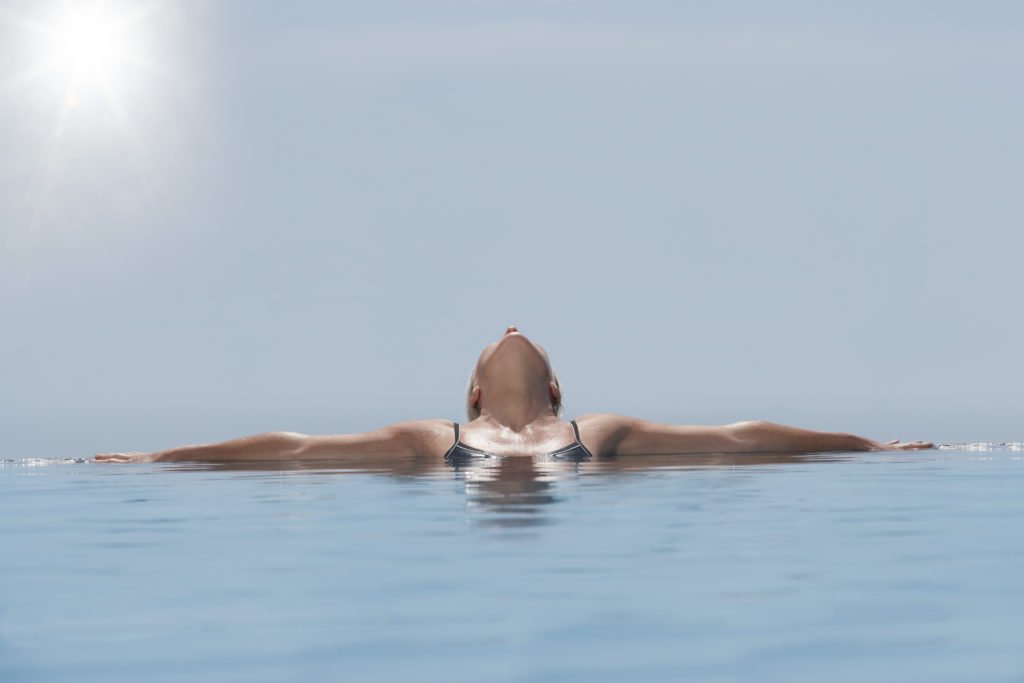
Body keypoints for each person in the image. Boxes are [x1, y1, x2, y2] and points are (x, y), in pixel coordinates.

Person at [95, 326, 932, 464]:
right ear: (470, 390)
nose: (511, 322)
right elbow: (295, 450)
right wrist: (162, 458)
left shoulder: (596, 430)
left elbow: (739, 440)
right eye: (497, 333)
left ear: (556, 385)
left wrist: (865, 447)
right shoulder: (432, 440)